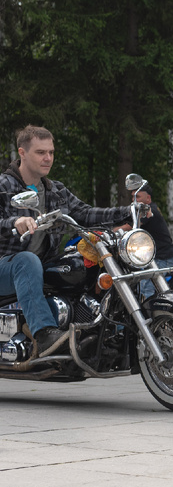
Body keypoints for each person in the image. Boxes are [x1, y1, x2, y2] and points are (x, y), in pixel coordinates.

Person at [0, 125, 136, 358]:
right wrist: (14, 222)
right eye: (40, 152)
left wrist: (129, 210)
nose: (48, 158)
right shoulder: (5, 185)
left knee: (80, 262)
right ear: (22, 153)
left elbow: (86, 213)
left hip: (39, 266)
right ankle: (44, 335)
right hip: (7, 266)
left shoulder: (55, 191)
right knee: (26, 260)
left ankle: (103, 331)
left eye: (51, 152)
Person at [134, 183, 173, 299]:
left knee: (145, 290)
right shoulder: (151, 208)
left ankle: (148, 317)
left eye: (137, 197)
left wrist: (112, 229)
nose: (134, 200)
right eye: (133, 197)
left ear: (148, 198)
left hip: (162, 258)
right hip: (164, 256)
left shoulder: (148, 211)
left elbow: (131, 226)